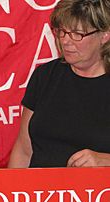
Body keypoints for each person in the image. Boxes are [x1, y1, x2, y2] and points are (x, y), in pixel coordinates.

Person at [8, 0, 110, 168]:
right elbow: (24, 150)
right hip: (41, 190)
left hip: (98, 192)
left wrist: (105, 160)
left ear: (105, 35)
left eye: (77, 34)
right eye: (61, 31)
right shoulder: (46, 75)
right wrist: (12, 191)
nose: (65, 41)